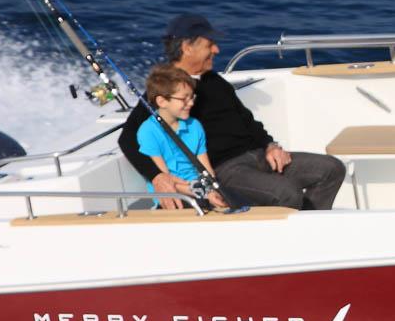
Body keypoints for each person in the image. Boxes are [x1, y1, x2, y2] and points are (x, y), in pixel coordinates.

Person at [120, 12, 346, 210]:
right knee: (287, 192)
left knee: (331, 169)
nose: (216, 50)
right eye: (210, 45)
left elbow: (248, 121)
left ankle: (309, 226)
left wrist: (270, 145)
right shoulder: (166, 92)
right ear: (187, 48)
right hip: (226, 170)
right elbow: (127, 138)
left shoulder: (215, 81)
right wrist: (157, 176)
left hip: (259, 157)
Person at [134, 63, 229, 210]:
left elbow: (207, 169)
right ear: (162, 101)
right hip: (173, 197)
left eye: (192, 97)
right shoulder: (148, 131)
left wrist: (210, 190)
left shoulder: (194, 126)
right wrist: (203, 193)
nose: (190, 103)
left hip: (201, 190)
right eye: (184, 99)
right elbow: (166, 180)